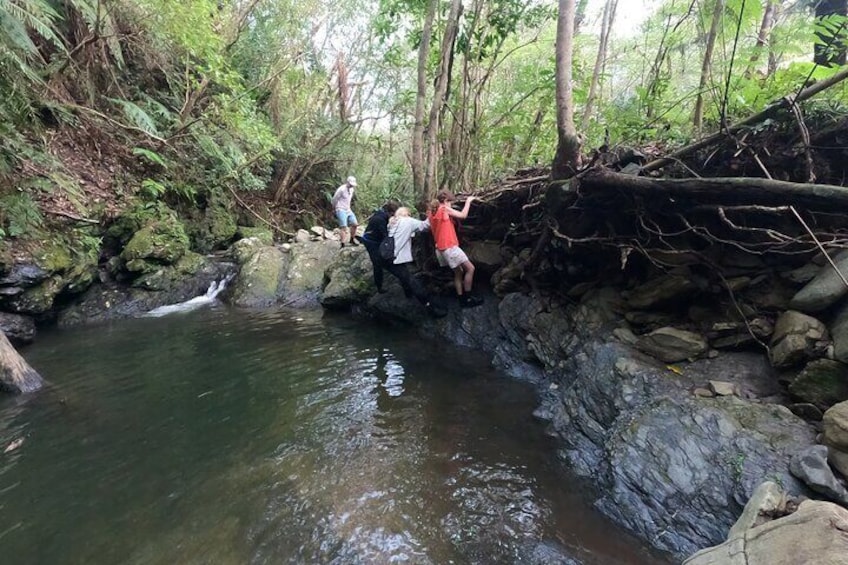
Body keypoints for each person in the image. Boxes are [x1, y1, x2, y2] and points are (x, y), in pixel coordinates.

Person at [386, 207, 446, 318]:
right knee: (412, 281)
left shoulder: (392, 222)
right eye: (409, 213)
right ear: (406, 214)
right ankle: (429, 306)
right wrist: (431, 213)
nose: (410, 215)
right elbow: (425, 226)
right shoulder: (408, 221)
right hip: (395, 258)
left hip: (387, 257)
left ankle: (408, 294)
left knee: (404, 275)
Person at [428, 190, 483, 308]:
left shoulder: (431, 212)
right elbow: (463, 215)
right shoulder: (444, 209)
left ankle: (461, 300)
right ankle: (468, 297)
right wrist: (468, 201)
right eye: (450, 202)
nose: (451, 205)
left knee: (458, 272)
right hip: (450, 247)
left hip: (440, 249)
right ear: (446, 201)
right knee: (470, 269)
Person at [358, 199, 400, 293]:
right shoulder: (380, 219)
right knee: (377, 264)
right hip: (370, 242)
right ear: (391, 212)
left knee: (383, 259)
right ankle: (379, 288)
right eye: (393, 215)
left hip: (374, 238)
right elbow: (386, 236)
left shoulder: (381, 214)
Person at [332, 176, 359, 247]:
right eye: (350, 184)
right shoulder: (341, 190)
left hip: (348, 209)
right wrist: (334, 208)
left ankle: (352, 239)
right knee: (343, 227)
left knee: (355, 224)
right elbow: (334, 199)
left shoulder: (352, 190)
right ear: (347, 182)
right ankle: (343, 243)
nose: (351, 186)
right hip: (340, 208)